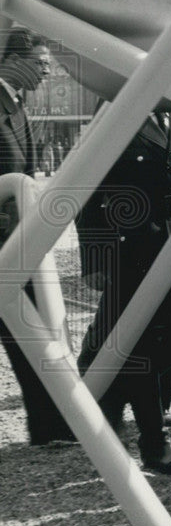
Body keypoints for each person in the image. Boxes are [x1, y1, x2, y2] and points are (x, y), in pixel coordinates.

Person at [76, 109, 171, 475]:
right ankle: (154, 442)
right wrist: (94, 256)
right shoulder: (115, 112)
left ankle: (124, 399)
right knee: (140, 342)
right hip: (131, 247)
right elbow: (87, 186)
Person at [0, 28, 75, 450]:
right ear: (13, 58)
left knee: (29, 332)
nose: (47, 73)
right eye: (41, 64)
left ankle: (47, 426)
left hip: (16, 241)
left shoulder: (16, 103)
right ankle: (48, 425)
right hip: (4, 242)